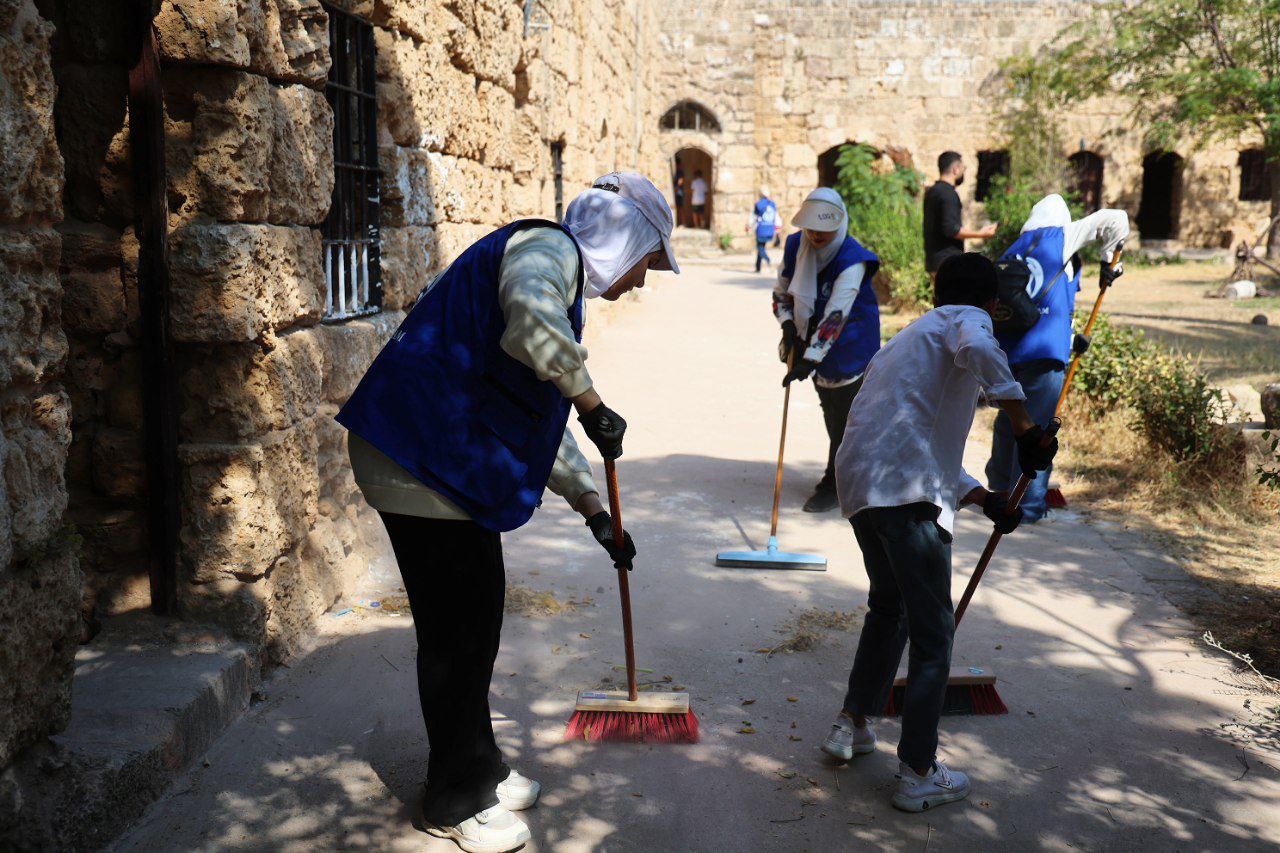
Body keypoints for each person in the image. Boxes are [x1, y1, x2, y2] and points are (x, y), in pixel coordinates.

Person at [335, 172, 679, 853]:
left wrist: (592, 510)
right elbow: (531, 324)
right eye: (649, 261)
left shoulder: (560, 282)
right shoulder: (543, 251)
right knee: (456, 632)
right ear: (626, 238)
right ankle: (452, 797)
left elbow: (534, 419)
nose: (643, 280)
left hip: (441, 460)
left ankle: (480, 764)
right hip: (416, 454)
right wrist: (593, 401)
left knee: (479, 620)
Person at [820, 253, 1058, 813]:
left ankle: (853, 724)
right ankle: (919, 772)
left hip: (865, 488)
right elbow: (979, 344)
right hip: (904, 495)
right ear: (993, 306)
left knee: (891, 606)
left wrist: (985, 498)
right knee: (933, 636)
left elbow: (914, 436)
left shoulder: (911, 340)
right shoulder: (968, 324)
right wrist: (1024, 426)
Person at [985, 193, 1128, 522]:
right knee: (1037, 435)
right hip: (1043, 354)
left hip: (1007, 354)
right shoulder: (1061, 236)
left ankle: (1001, 492)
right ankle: (1029, 506)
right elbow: (1116, 219)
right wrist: (1110, 261)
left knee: (1010, 421)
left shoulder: (1016, 248)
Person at [772, 187, 881, 513]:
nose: (817, 234)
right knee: (832, 414)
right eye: (812, 227)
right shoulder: (796, 245)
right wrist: (789, 326)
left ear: (840, 223)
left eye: (825, 227)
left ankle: (835, 484)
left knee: (845, 419)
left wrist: (809, 360)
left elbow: (836, 316)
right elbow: (781, 293)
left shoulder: (853, 259)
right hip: (811, 336)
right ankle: (845, 476)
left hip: (851, 341)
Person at [923, 151, 997, 279]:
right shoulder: (948, 194)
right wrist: (981, 234)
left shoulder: (932, 192)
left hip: (934, 261)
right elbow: (951, 229)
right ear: (955, 169)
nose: (963, 172)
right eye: (963, 168)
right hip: (947, 262)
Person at [749, 186, 780, 272]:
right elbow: (775, 216)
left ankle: (768, 259)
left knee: (760, 248)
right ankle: (758, 267)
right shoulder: (772, 204)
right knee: (762, 246)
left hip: (761, 229)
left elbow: (754, 217)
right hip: (770, 228)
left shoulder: (758, 204)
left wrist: (749, 225)